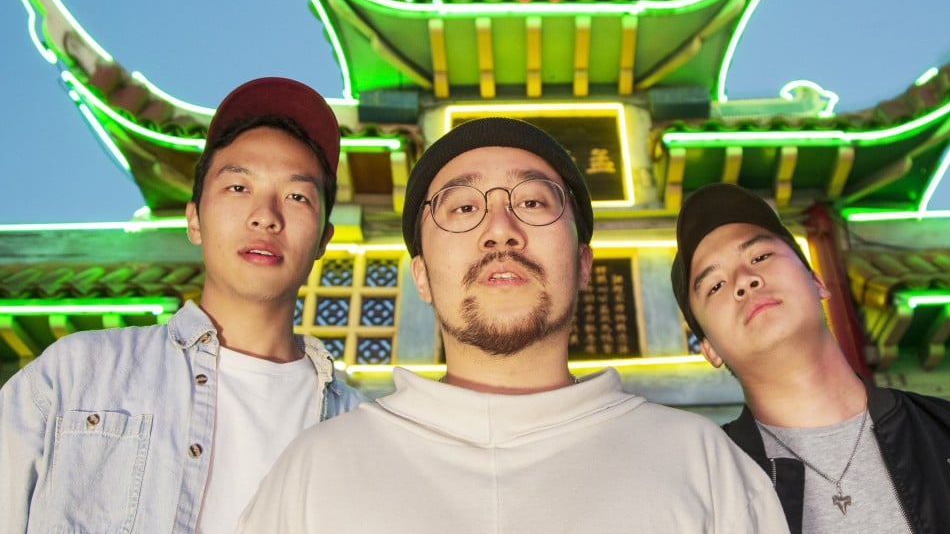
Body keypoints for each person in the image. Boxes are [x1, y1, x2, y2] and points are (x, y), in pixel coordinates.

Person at [237, 117, 789, 533]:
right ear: (422, 276)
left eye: (531, 201)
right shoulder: (319, 469)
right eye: (460, 209)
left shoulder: (702, 463)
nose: (500, 231)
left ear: (582, 265)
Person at [0, 76, 365, 533]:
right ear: (194, 220)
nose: (265, 215)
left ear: (323, 241)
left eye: (296, 196)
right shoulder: (77, 377)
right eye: (238, 188)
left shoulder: (363, 433)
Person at [671, 182, 950, 534]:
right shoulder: (698, 498)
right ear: (709, 348)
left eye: (759, 257)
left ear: (817, 281)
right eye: (714, 285)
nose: (744, 280)